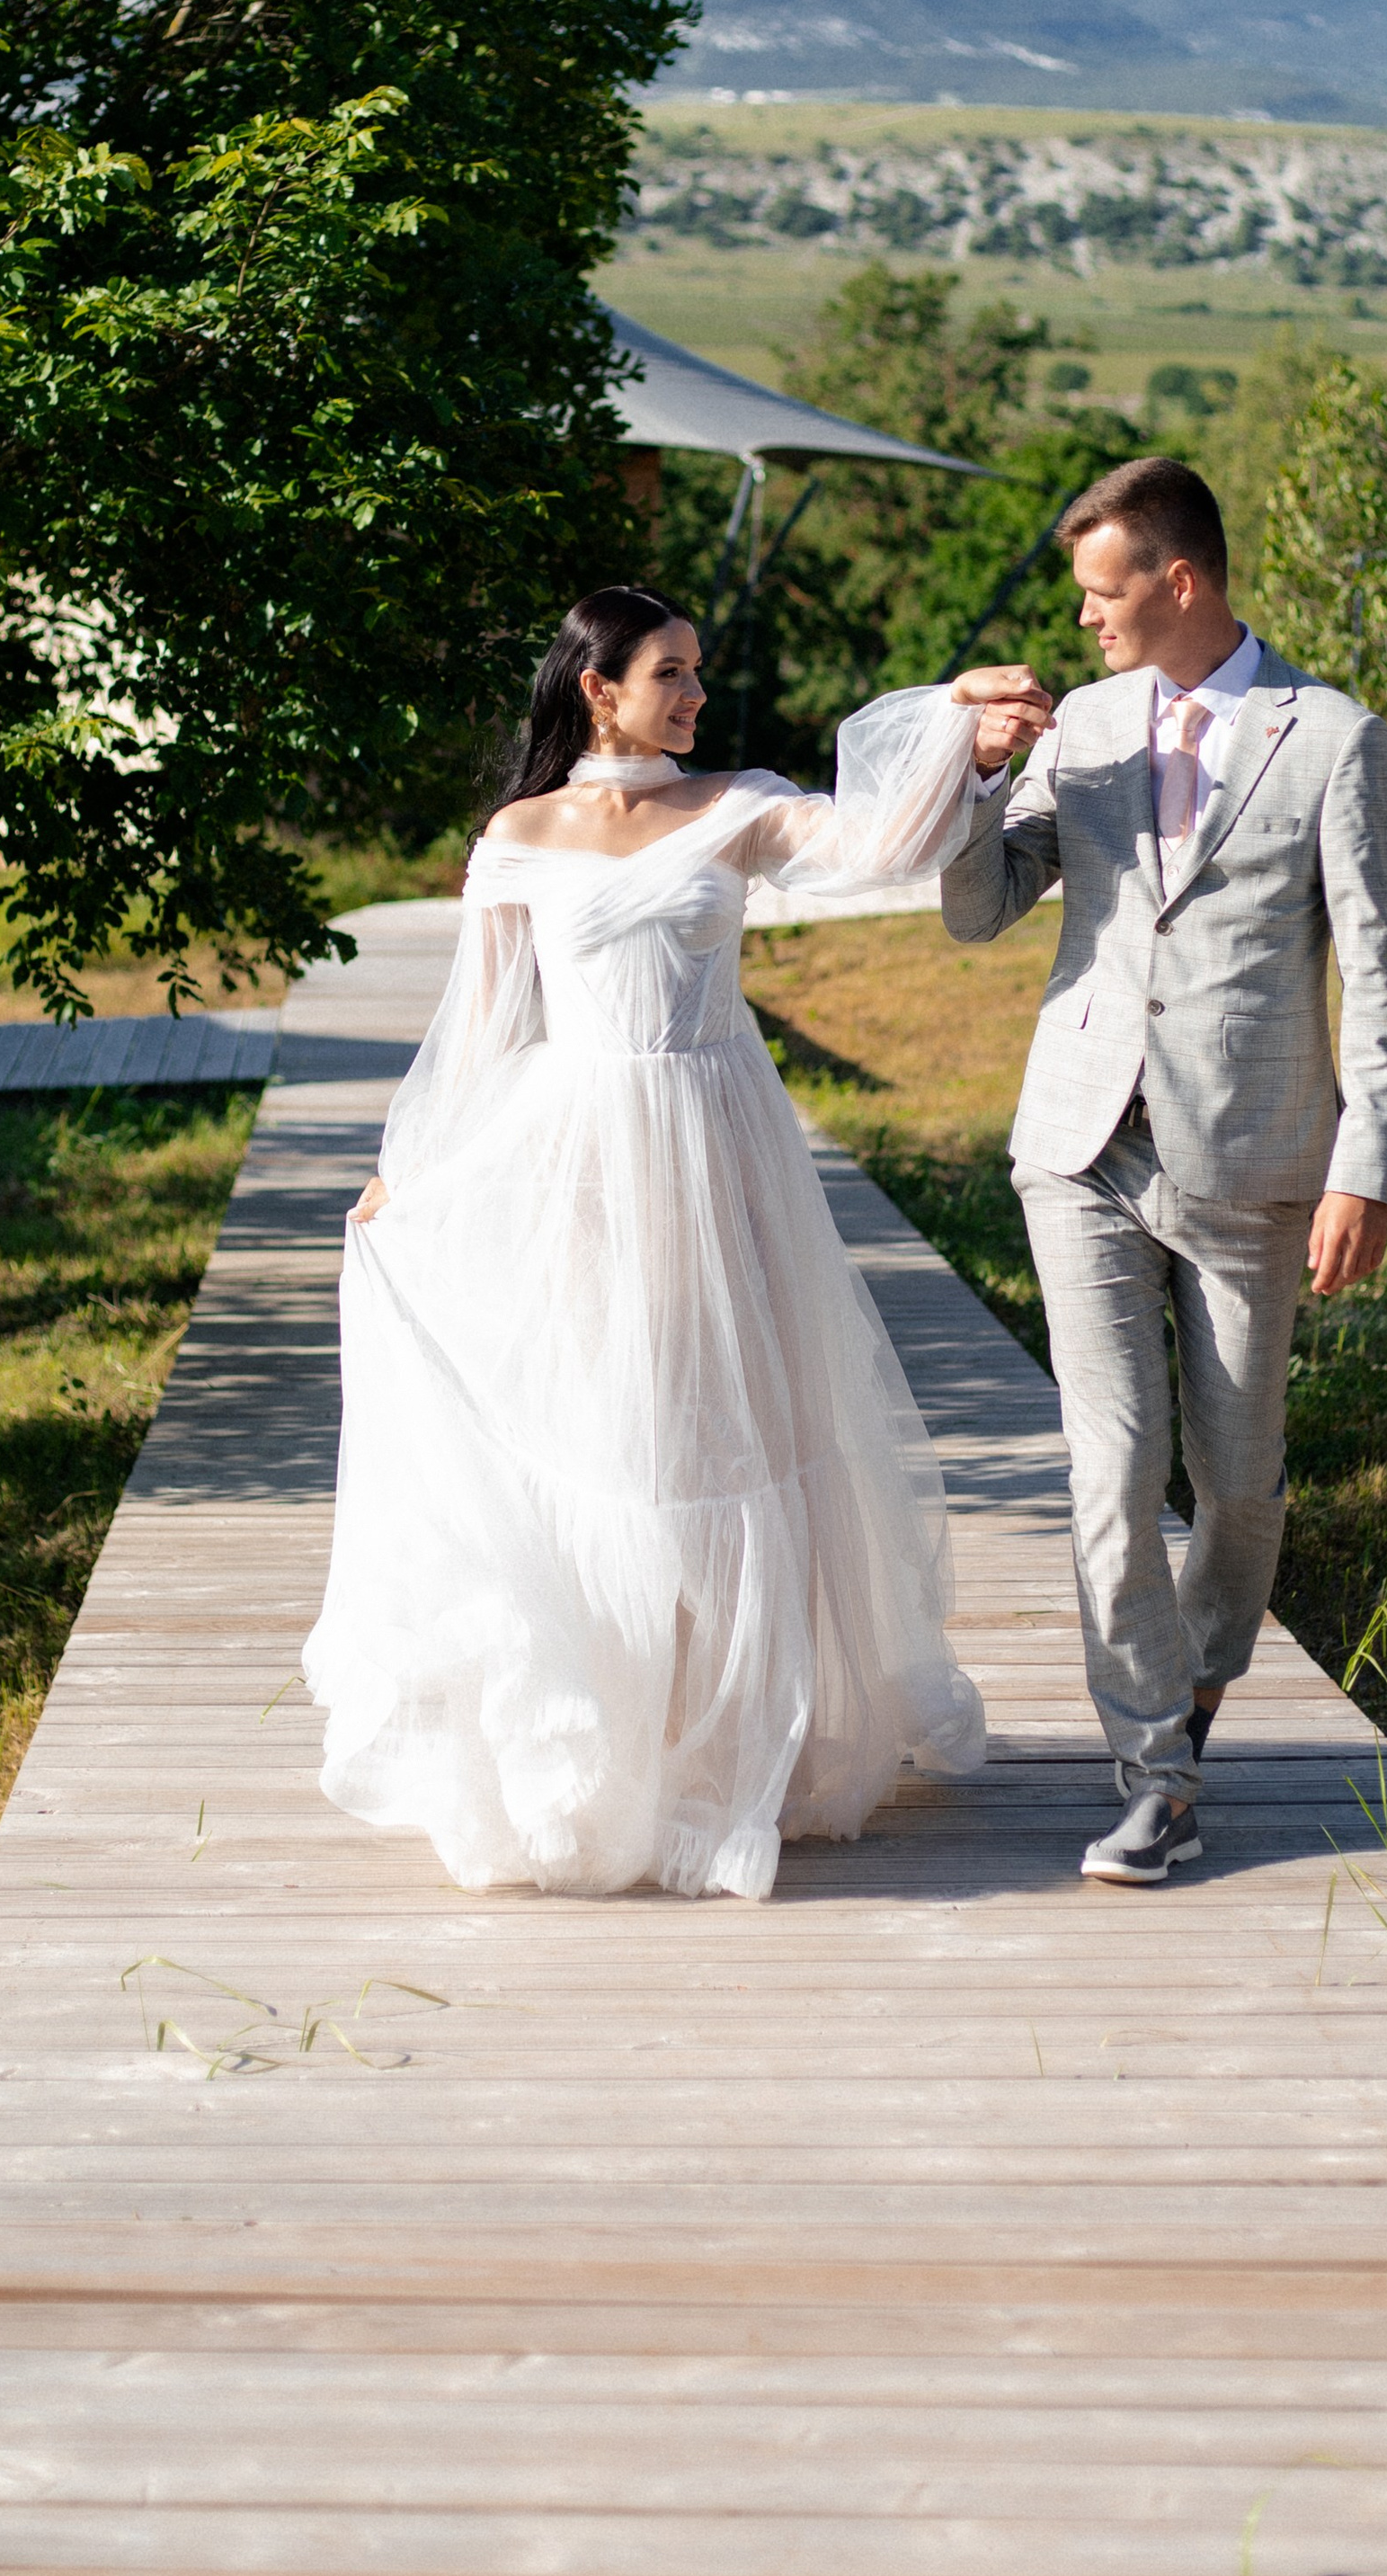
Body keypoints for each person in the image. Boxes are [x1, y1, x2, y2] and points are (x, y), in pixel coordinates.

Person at [307, 586, 1053, 1903]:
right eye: (672, 673)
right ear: (600, 689)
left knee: (737, 1432)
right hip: (584, 1161)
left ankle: (737, 1755)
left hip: (720, 1150)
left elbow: (876, 842)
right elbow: (480, 1028)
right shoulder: (519, 838)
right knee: (616, 1433)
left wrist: (955, 727)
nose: (697, 695)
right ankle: (621, 1752)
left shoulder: (738, 807)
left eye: (698, 672)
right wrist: (401, 1176)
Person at [939, 457, 1387, 1889]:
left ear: (1180, 581)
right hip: (1080, 1145)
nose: (1085, 619)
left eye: (1103, 590)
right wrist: (968, 781)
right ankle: (1153, 1771)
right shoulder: (1078, 727)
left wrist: (1366, 1167)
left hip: (1257, 1153)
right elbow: (980, 910)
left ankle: (1196, 1692)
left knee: (1241, 1479)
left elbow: (1382, 979)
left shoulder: (1330, 737)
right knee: (1114, 1465)